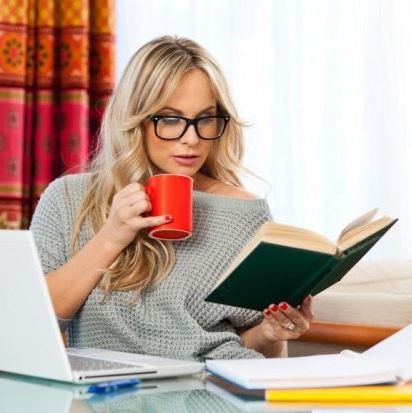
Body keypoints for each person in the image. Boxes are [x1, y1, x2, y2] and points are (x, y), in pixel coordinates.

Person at [29, 35, 312, 360]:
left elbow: (264, 360)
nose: (191, 139)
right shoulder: (68, 199)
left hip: (213, 385)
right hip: (113, 387)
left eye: (205, 119)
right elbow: (36, 318)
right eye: (171, 119)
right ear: (136, 119)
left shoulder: (245, 213)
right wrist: (111, 237)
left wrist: (269, 335)